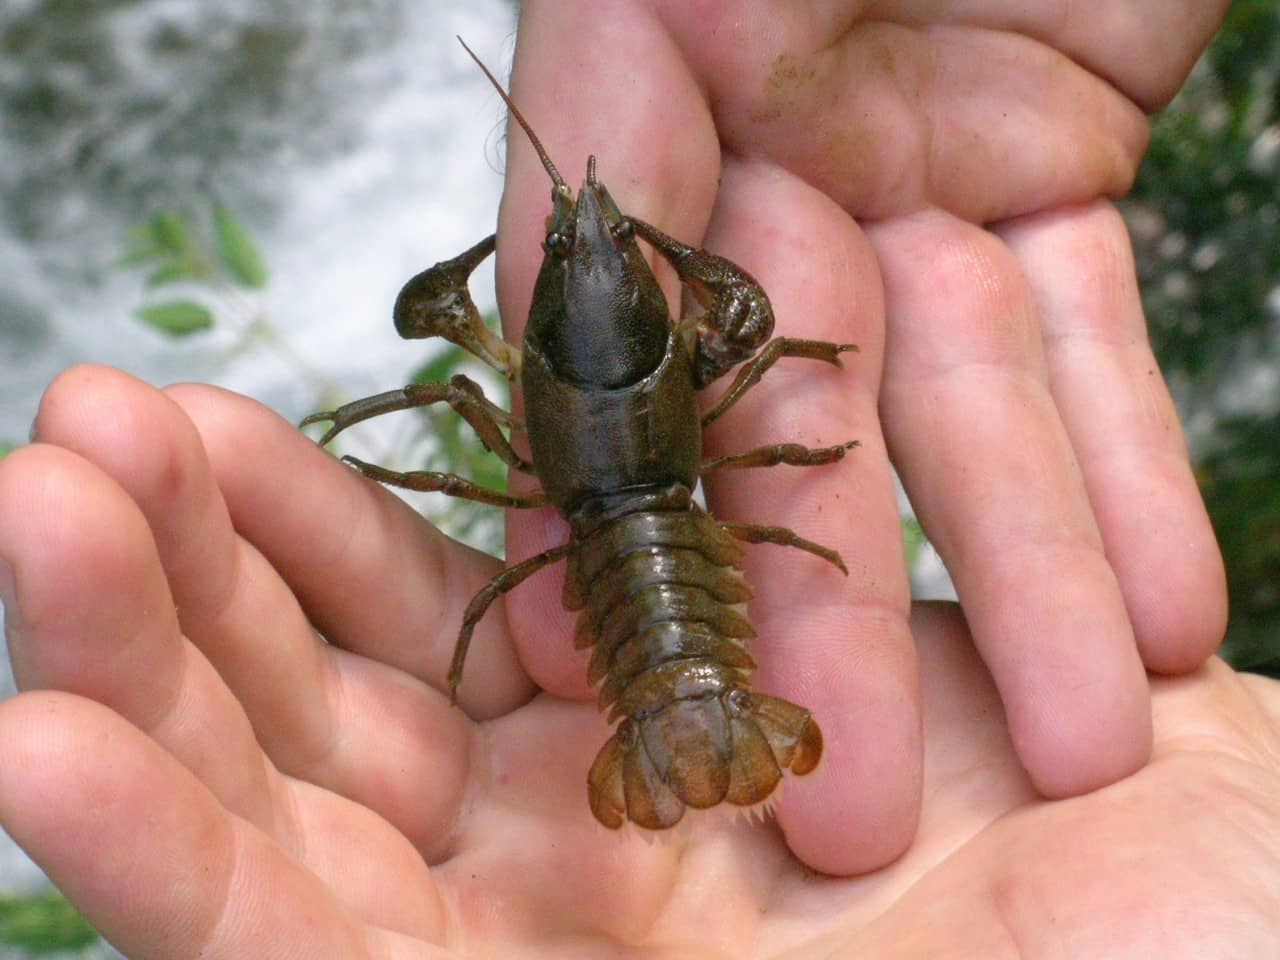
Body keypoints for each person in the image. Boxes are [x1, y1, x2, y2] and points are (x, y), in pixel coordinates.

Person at [2, 2, 1274, 955]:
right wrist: (667, 253)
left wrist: (419, 389)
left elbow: (433, 338)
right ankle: (697, 713)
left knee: (450, 389)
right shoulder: (697, 363)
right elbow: (756, 327)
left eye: (577, 242)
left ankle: (675, 715)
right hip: (663, 554)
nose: (583, 233)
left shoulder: (519, 387)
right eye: (583, 240)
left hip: (628, 573)